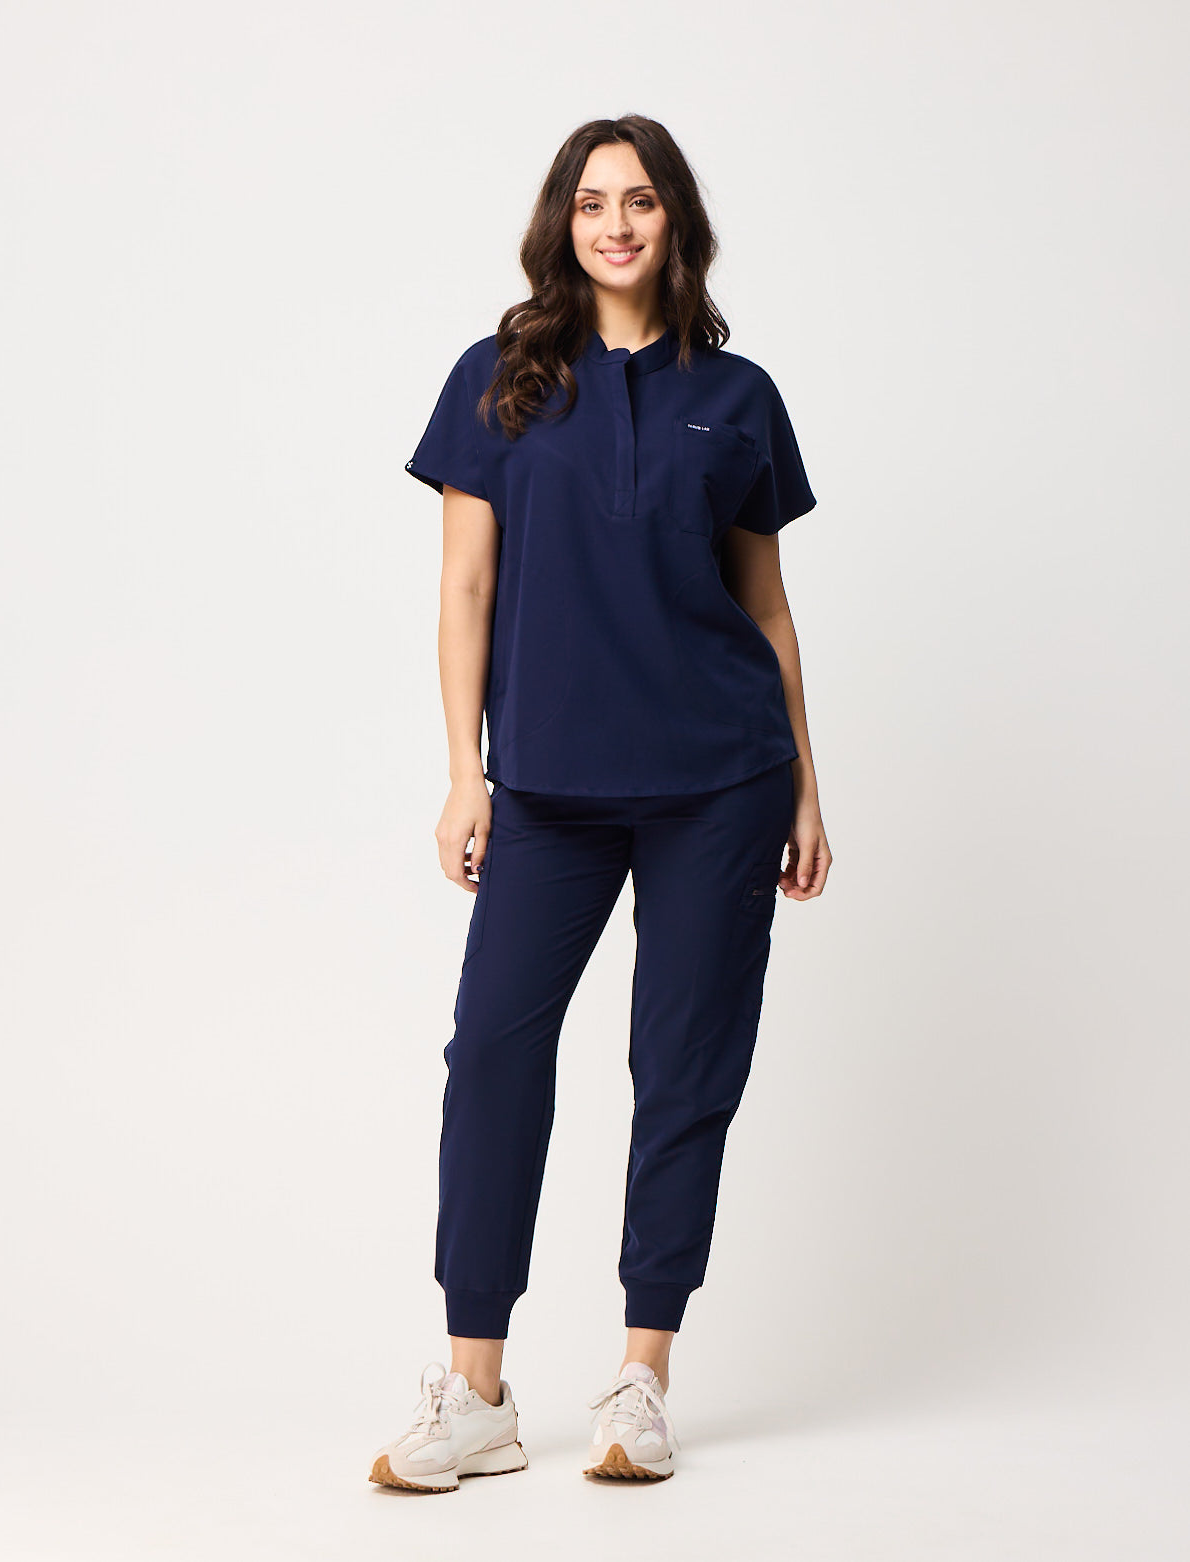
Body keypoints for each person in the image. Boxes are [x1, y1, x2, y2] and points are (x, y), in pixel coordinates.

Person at [369, 114, 832, 1494]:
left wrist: (806, 784)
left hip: (721, 781)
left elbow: (764, 605)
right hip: (549, 786)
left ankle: (642, 1376)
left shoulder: (736, 396)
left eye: (637, 200)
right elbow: (463, 588)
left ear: (675, 219)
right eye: (589, 202)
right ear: (560, 225)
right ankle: (476, 1393)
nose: (614, 224)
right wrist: (466, 770)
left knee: (683, 1071)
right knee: (492, 1056)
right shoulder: (498, 379)